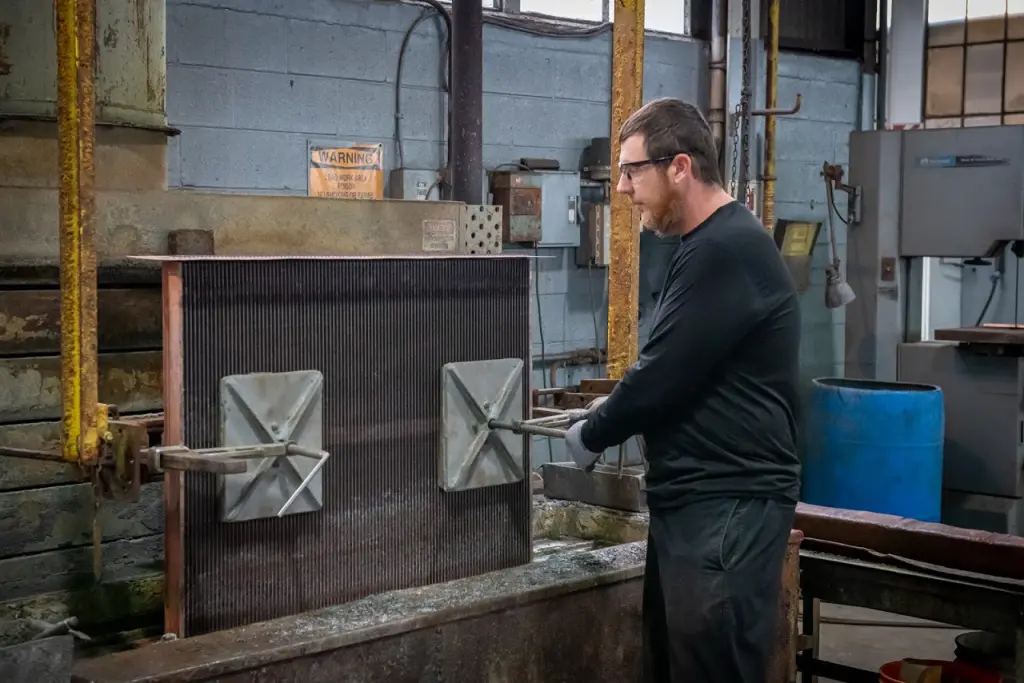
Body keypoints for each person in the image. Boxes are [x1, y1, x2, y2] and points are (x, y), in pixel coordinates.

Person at [564, 97, 802, 683]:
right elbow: (682, 365)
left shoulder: (723, 249)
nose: (621, 188)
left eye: (631, 170)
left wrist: (590, 433)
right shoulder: (707, 245)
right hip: (701, 504)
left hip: (727, 508)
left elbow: (661, 373)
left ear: (680, 168)